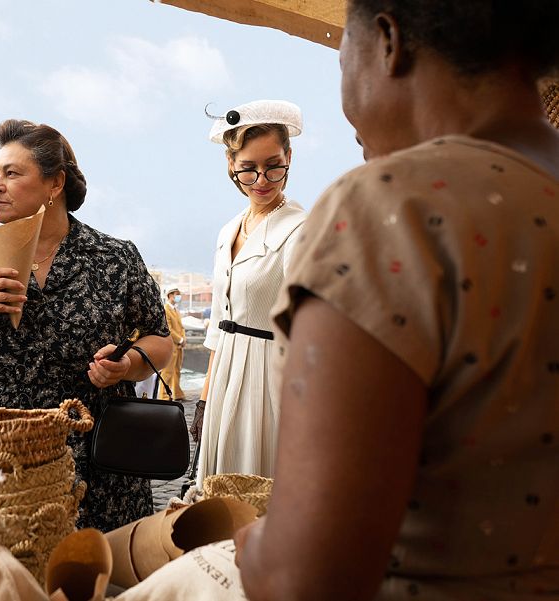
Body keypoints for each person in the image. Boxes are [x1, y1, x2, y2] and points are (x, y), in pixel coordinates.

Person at [235, 1, 559, 599]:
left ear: (389, 42)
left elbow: (303, 579)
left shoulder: (392, 209)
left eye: (341, 60)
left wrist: (235, 547)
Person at [0, 119, 172, 532]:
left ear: (55, 184)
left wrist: (126, 367)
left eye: (12, 173)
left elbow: (159, 340)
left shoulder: (114, 257)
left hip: (92, 467)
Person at [196, 100, 307, 482]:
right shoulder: (228, 231)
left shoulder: (301, 230)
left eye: (273, 166)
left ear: (289, 157)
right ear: (231, 166)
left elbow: (307, 330)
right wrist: (205, 400)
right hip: (224, 373)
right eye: (248, 169)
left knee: (257, 487)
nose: (261, 180)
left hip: (269, 381)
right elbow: (218, 329)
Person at [158, 285, 186, 400]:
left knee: (176, 371)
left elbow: (181, 327)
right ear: (170, 295)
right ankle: (164, 397)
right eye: (176, 294)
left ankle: (177, 394)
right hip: (171, 345)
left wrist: (183, 339)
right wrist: (180, 339)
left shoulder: (176, 310)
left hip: (179, 345)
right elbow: (169, 328)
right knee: (167, 372)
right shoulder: (166, 309)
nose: (178, 296)